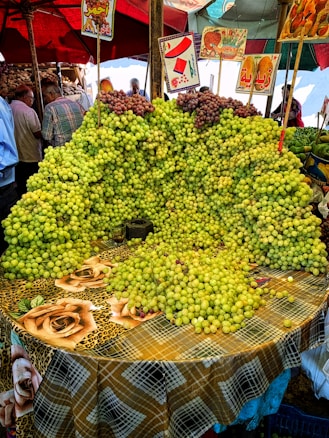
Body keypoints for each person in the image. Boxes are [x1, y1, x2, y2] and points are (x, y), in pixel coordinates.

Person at [10, 85, 43, 197]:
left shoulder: (8, 108)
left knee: (21, 186)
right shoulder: (28, 111)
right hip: (30, 155)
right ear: (24, 97)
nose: (32, 101)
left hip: (15, 156)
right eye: (31, 98)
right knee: (33, 186)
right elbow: (37, 133)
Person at [0, 96, 19, 254]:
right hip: (5, 180)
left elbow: (6, 149)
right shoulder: (3, 104)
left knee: (6, 238)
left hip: (3, 181)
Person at [41, 83, 84, 147]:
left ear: (51, 94)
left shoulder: (50, 108)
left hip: (62, 150)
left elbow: (46, 136)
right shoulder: (77, 104)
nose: (44, 99)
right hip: (79, 146)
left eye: (45, 96)